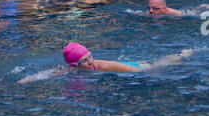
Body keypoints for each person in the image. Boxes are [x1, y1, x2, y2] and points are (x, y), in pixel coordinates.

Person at [62, 42, 192, 74]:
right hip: (125, 64)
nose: (91, 61)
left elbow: (132, 70)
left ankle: (184, 54)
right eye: (84, 60)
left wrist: (151, 74)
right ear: (74, 65)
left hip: (132, 67)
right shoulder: (71, 69)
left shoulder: (103, 66)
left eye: (90, 56)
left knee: (154, 65)